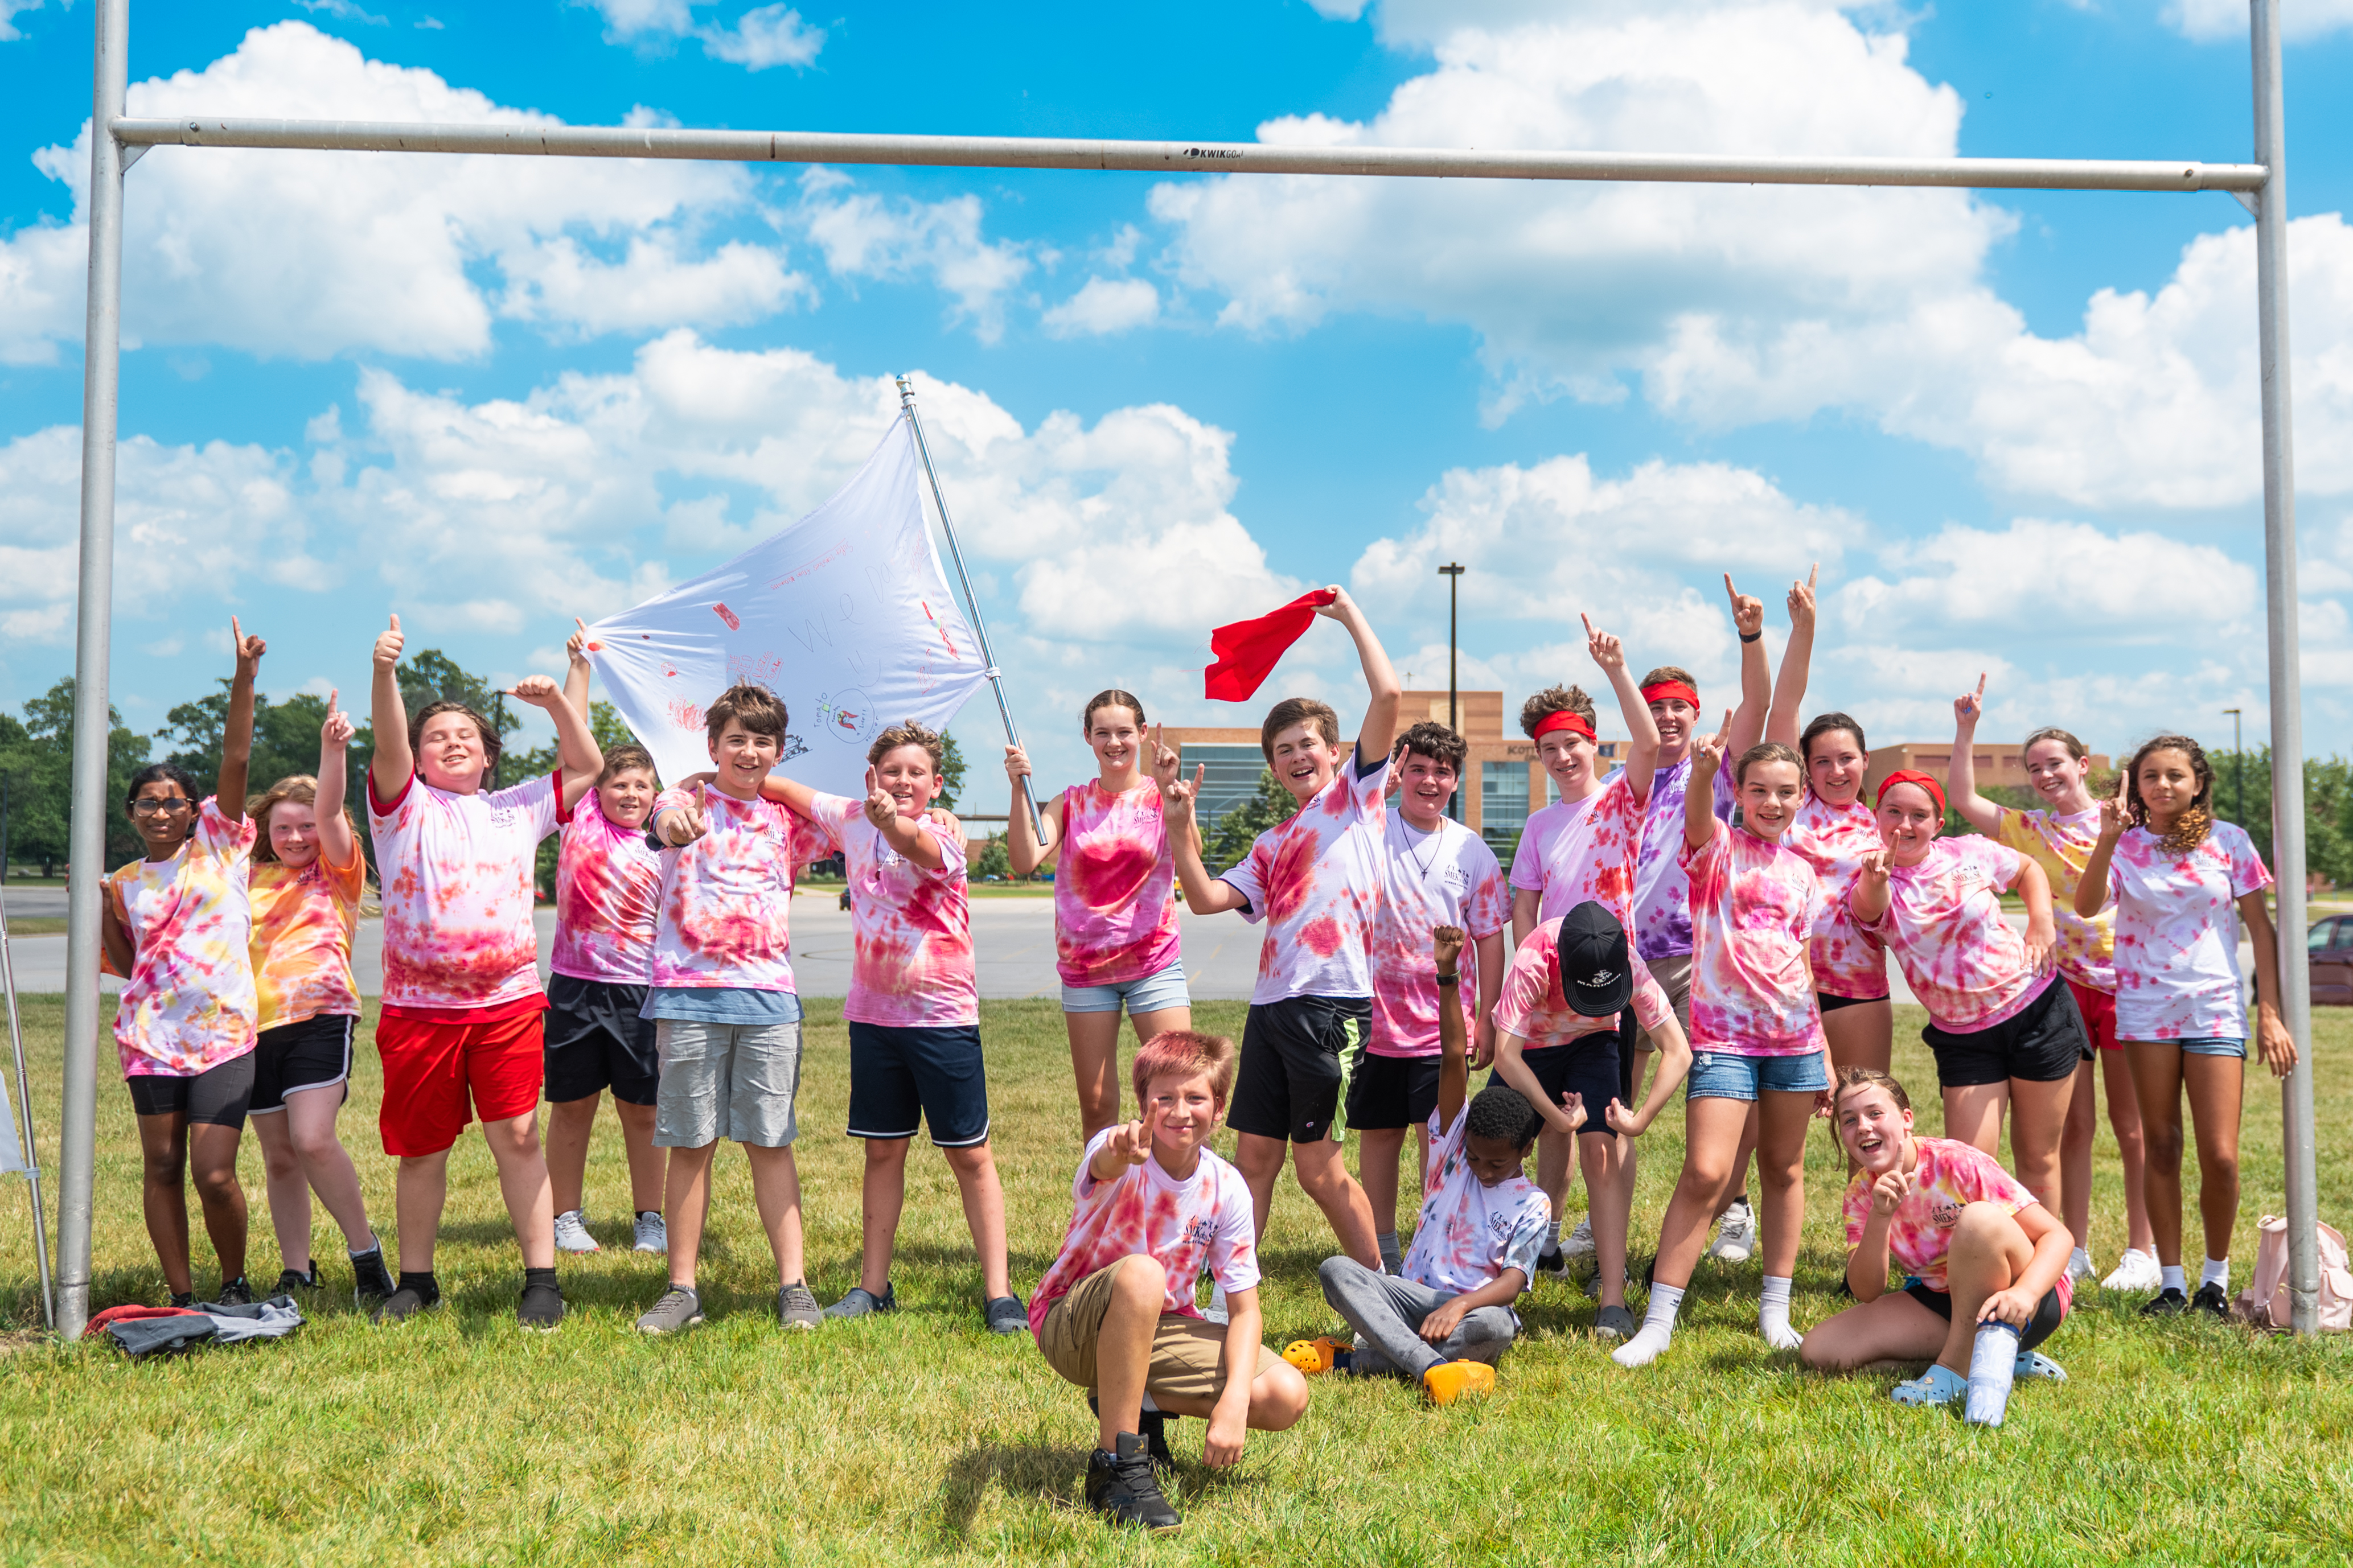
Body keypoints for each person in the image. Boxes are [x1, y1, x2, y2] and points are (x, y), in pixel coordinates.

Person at [365, 612, 603, 1328]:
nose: (452, 742)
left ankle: (541, 1279)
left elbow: (586, 766)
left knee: (520, 1137)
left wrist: (562, 699)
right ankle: (416, 1279)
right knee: (422, 1150)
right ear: (418, 752)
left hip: (506, 1006)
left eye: (465, 734)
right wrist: (385, 673)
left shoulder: (515, 809)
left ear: (487, 754)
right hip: (418, 1011)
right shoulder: (401, 808)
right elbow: (387, 740)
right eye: (436, 735)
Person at [1163, 585, 1397, 1281]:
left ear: (1334, 753)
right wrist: (1179, 830)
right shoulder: (1270, 843)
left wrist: (1351, 615)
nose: (1297, 756)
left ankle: (1384, 1289)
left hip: (1332, 1007)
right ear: (1272, 767)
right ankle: (1228, 1291)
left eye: (1308, 745)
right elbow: (1204, 898)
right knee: (1254, 1161)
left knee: (1319, 1168)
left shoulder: (1356, 798)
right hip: (1271, 1009)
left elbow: (1385, 698)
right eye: (1284, 750)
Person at [762, 723, 1023, 1334]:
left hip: (942, 1018)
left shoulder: (939, 832)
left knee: (970, 1154)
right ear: (870, 776)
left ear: (935, 785)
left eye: (915, 773)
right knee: (882, 1150)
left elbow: (916, 847)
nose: (902, 781)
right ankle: (872, 1286)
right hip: (874, 1018)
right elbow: (788, 789)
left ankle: (1000, 1293)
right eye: (890, 771)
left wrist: (891, 822)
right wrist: (713, 777)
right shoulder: (851, 814)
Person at [1030, 1028, 1309, 1532]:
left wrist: (1233, 1403)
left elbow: (1245, 1310)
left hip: (1161, 1327)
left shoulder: (1228, 1187)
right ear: (1143, 1104)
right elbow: (1105, 1159)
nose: (1180, 1110)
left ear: (1219, 1108)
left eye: (1196, 1097)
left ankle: (1136, 1402)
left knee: (1285, 1393)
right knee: (1144, 1274)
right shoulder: (1119, 1153)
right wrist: (1117, 1151)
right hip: (1071, 1325)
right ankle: (1117, 1465)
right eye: (1165, 1097)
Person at [1617, 719, 1828, 1368]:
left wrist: (1819, 1050)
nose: (1772, 802)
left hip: (1793, 1041)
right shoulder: (1717, 849)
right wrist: (1705, 770)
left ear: (1800, 798)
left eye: (1786, 791)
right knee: (1706, 1171)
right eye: (1758, 789)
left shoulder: (1803, 872)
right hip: (1723, 1039)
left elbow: (1802, 964)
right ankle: (1656, 1321)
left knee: (1783, 1170)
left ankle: (1775, 1309)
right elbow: (1696, 816)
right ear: (1739, 791)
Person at [2076, 736, 2299, 1316]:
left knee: (2219, 1156)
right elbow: (2084, 904)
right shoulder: (2123, 845)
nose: (2162, 785)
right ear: (2135, 785)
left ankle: (2214, 1282)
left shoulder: (2229, 841)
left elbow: (2260, 928)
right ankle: (2172, 1283)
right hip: (2146, 1011)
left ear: (2196, 782)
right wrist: (2105, 837)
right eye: (2150, 775)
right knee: (2162, 1145)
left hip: (2214, 1008)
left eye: (2174, 775)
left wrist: (2268, 1011)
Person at [1949, 681, 2158, 1293]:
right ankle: (2073, 1246)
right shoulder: (2026, 829)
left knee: (2132, 1125)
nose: (2045, 775)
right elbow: (1961, 797)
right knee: (2072, 1127)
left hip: (2125, 987)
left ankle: (2141, 1250)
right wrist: (1965, 728)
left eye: (2055, 764)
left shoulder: (2123, 822)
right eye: (2033, 767)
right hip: (2058, 993)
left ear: (2082, 765)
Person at [637, 682, 832, 1334]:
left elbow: (853, 822)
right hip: (689, 994)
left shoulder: (787, 820)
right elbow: (664, 823)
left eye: (762, 741)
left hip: (769, 998)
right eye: (736, 740)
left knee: (770, 1141)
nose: (748, 752)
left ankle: (794, 1286)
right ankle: (682, 1287)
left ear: (778, 750)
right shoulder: (684, 799)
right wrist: (679, 817)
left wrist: (940, 816)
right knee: (691, 1142)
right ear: (713, 745)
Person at [100, 619, 267, 1308]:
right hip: (151, 1040)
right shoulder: (124, 882)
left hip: (223, 1035)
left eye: (174, 801)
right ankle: (180, 1292)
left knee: (215, 1172)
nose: (161, 810)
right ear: (134, 812)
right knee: (162, 1164)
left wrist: (244, 679)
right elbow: (128, 959)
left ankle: (234, 1282)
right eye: (148, 802)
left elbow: (235, 759)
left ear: (194, 810)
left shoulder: (221, 849)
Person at [1305, 925, 1544, 1397]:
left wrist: (1459, 1307)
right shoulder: (1453, 1148)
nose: (1480, 1168)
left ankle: (1359, 1360)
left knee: (1496, 1328)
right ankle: (1431, 1368)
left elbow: (1513, 1282)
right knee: (1337, 1269)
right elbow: (1453, 1054)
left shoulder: (1533, 1203)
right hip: (1410, 1294)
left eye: (1496, 1165)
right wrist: (1446, 972)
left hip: (1470, 1308)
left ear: (1525, 1151)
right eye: (1475, 1156)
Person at [1849, 769, 2082, 1228]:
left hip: (2037, 1009)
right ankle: (1975, 1266)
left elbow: (2028, 869)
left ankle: (2045, 1270)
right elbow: (1867, 909)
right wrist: (1876, 878)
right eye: (1892, 812)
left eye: (1919, 815)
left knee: (2037, 1156)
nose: (1904, 824)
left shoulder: (1969, 852)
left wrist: (2040, 921)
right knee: (1971, 1166)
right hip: (1964, 1036)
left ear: (1938, 824)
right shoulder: (1871, 876)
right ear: (1875, 815)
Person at [1619, 575, 1772, 1267]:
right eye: (1657, 709)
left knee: (1713, 1089)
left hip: (1702, 956)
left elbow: (1761, 701)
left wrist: (1750, 636)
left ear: (1696, 713)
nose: (1669, 719)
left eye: (1679, 707)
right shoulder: (1630, 775)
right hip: (1629, 959)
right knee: (1616, 1090)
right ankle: (1604, 1216)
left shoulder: (1716, 763)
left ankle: (1732, 1205)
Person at [1513, 615, 1661, 1275]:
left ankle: (1612, 1255)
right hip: (1549, 989)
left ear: (1593, 746)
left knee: (1604, 1121)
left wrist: (1615, 669)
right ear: (1539, 758)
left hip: (1608, 986)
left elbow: (1652, 743)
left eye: (1573, 745)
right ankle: (1542, 1234)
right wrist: (1528, 973)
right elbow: (1525, 904)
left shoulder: (1619, 802)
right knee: (1551, 1119)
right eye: (1550, 750)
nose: (1563, 758)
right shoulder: (1539, 825)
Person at [243, 686, 395, 1307]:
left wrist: (332, 752)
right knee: (279, 1157)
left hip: (319, 1017)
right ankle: (296, 1269)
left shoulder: (337, 869)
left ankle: (366, 1258)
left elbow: (331, 814)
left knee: (312, 1139)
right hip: (251, 1029)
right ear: (266, 829)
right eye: (284, 826)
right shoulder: (246, 875)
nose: (297, 835)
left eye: (305, 825)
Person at [1800, 1068, 2072, 1413]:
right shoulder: (1861, 1194)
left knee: (1979, 1220)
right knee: (1821, 1350)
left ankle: (1955, 1372)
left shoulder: (1957, 1164)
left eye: (1875, 1113)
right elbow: (1866, 1290)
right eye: (1849, 1120)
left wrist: (2026, 1293)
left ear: (1907, 1119)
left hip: (2026, 1297)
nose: (1864, 1126)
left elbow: (2057, 1235)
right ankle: (1992, 1355)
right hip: (1942, 1300)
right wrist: (1880, 1217)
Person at [1490, 901, 1691, 1343]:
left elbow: (1678, 1051)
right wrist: (1554, 1120)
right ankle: (1476, 1275)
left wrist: (1638, 1121)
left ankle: (1613, 1301)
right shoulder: (1534, 956)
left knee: (1600, 1148)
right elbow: (1506, 1053)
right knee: (1492, 1142)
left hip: (1593, 1042)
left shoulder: (1628, 961)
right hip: (1530, 1047)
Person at [1004, 690, 1192, 1141]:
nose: (1115, 742)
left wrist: (1174, 804)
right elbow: (1024, 858)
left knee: (1175, 1092)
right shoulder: (1068, 802)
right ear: (1087, 737)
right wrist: (1017, 790)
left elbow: (1193, 861)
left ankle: (1171, 1200)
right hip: (1086, 971)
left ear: (1142, 735)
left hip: (1154, 963)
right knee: (1097, 1106)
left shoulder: (1160, 794)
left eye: (1124, 732)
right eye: (1103, 732)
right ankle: (1102, 1205)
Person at [1357, 722, 1507, 1274]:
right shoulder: (1371, 830)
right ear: (1399, 774)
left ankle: (1432, 1235)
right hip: (1374, 1020)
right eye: (1416, 768)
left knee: (1439, 1139)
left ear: (1455, 780)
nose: (1428, 780)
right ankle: (1380, 1245)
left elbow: (1490, 938)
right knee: (1378, 1133)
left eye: (1441, 771)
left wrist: (1486, 1019)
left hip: (1441, 1026)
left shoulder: (1471, 851)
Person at [545, 623, 667, 1258]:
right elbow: (575, 746)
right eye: (618, 784)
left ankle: (650, 1216)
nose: (628, 793)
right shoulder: (581, 820)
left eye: (641, 785)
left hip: (640, 993)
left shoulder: (663, 842)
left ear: (655, 795)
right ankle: (565, 1216)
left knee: (642, 1111)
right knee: (571, 1108)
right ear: (597, 794)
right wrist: (579, 669)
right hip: (575, 987)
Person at [1762, 569, 1895, 1084]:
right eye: (1821, 761)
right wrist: (1804, 630)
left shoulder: (1884, 824)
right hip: (1786, 982)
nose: (1835, 771)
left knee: (1863, 1113)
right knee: (1784, 1128)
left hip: (1860, 988)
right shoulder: (1789, 806)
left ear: (1865, 760)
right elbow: (1785, 706)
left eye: (1847, 759)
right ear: (1803, 765)